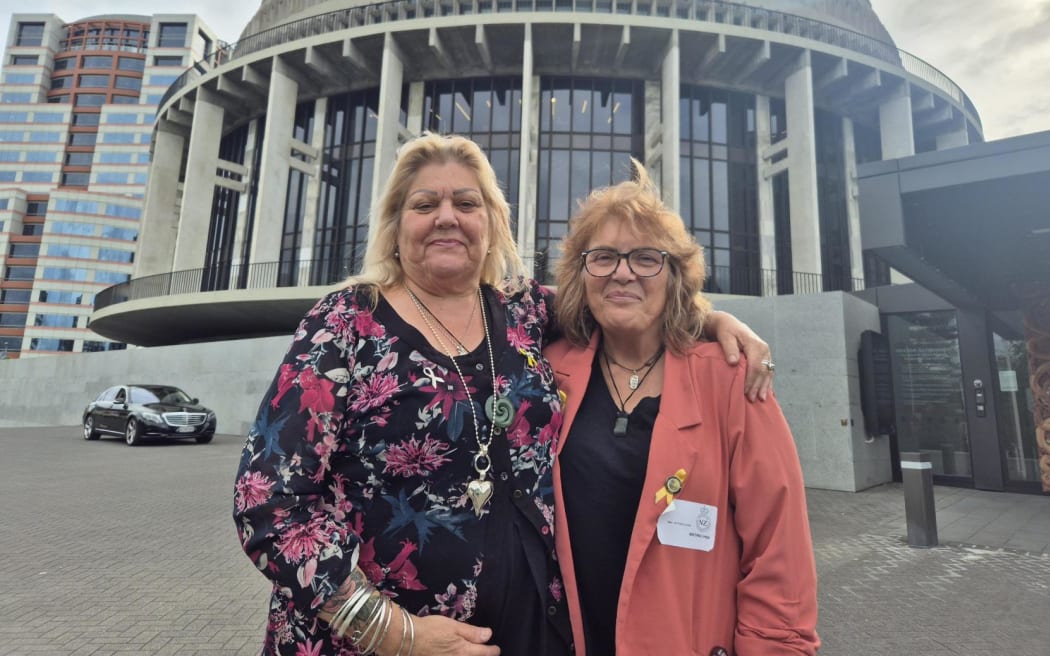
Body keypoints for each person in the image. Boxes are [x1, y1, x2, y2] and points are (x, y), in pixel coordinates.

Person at [233, 134, 774, 656]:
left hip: (532, 630)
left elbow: (621, 295)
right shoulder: (346, 323)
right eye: (426, 204)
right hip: (371, 645)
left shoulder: (525, 313)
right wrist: (396, 634)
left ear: (490, 223)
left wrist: (711, 318)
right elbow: (267, 503)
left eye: (466, 202)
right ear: (396, 226)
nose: (448, 216)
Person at [546, 161, 819, 655]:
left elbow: (779, 550)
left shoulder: (731, 379)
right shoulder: (548, 369)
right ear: (581, 273)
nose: (622, 272)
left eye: (646, 258)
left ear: (674, 275)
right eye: (603, 257)